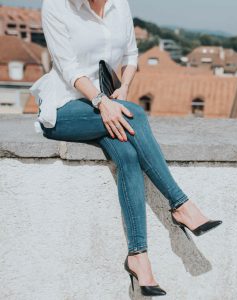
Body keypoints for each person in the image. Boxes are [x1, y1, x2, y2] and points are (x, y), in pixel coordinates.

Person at [30, 0, 222, 296]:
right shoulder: (57, 6)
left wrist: (124, 90)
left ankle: (138, 258)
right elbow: (68, 69)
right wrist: (102, 103)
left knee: (129, 155)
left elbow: (131, 54)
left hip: (106, 105)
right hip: (64, 108)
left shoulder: (119, 4)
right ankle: (181, 205)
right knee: (137, 115)